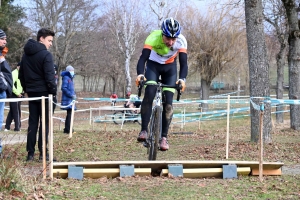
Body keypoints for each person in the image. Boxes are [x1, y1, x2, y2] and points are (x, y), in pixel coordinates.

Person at [135, 18, 187, 151]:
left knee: (168, 103)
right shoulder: (153, 37)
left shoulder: (181, 40)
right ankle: (144, 130)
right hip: (153, 65)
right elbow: (143, 59)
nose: (170, 42)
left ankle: (164, 137)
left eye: (173, 39)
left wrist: (182, 79)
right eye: (167, 38)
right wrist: (140, 74)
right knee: (150, 92)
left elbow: (183, 63)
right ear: (162, 34)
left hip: (170, 68)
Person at [19, 28, 57, 161]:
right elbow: (49, 77)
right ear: (41, 38)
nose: (51, 44)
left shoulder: (25, 55)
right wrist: (53, 92)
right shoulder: (46, 55)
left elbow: (21, 75)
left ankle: (30, 154)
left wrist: (27, 89)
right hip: (45, 94)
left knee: (33, 123)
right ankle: (43, 154)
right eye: (49, 40)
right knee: (44, 124)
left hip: (33, 94)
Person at [0, 29, 13, 131]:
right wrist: (5, 86)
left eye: (5, 39)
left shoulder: (2, 53)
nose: (5, 42)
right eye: (2, 39)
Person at [5, 62, 23, 131]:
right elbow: (11, 85)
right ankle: (17, 127)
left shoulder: (21, 73)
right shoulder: (14, 73)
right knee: (16, 111)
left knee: (12, 111)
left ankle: (7, 127)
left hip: (20, 94)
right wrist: (17, 93)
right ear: (18, 67)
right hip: (14, 95)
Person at [60, 65, 76, 134]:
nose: (73, 72)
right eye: (71, 70)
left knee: (70, 113)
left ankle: (68, 128)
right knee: (69, 114)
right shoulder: (66, 78)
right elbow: (64, 88)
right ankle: (68, 128)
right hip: (68, 99)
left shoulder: (70, 78)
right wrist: (71, 95)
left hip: (71, 99)